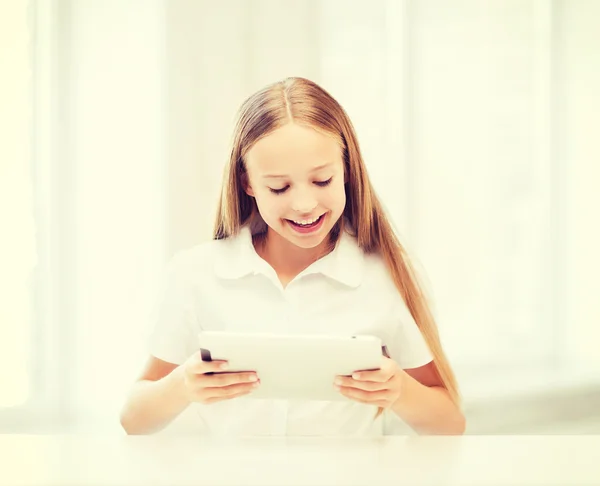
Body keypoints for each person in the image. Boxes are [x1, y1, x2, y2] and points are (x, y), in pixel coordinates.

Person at [119, 77, 465, 436]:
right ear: (247, 183)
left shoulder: (386, 275)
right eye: (279, 187)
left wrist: (400, 392)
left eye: (322, 181)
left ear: (346, 170)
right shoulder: (195, 275)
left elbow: (450, 422)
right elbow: (134, 419)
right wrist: (182, 386)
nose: (304, 205)